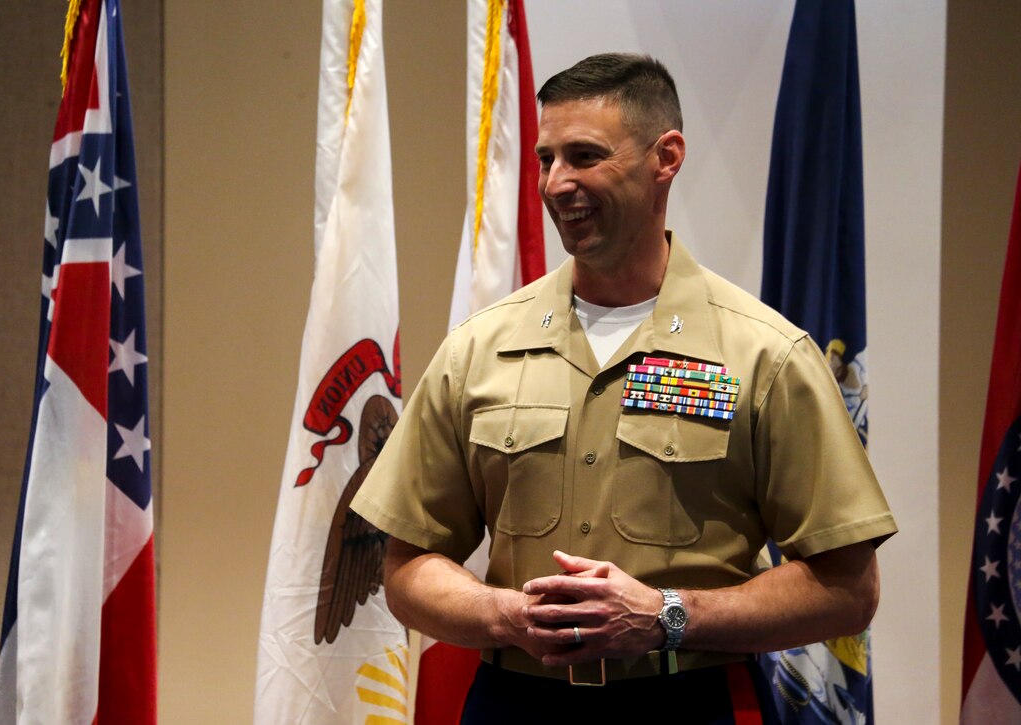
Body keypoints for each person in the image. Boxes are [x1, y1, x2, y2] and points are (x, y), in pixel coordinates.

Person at [351, 53, 896, 722]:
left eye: (584, 156)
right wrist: (502, 611)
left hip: (688, 698)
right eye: (547, 159)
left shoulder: (766, 355)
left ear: (665, 157)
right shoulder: (478, 350)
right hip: (516, 700)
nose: (556, 183)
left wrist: (668, 614)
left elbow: (847, 587)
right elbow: (407, 565)